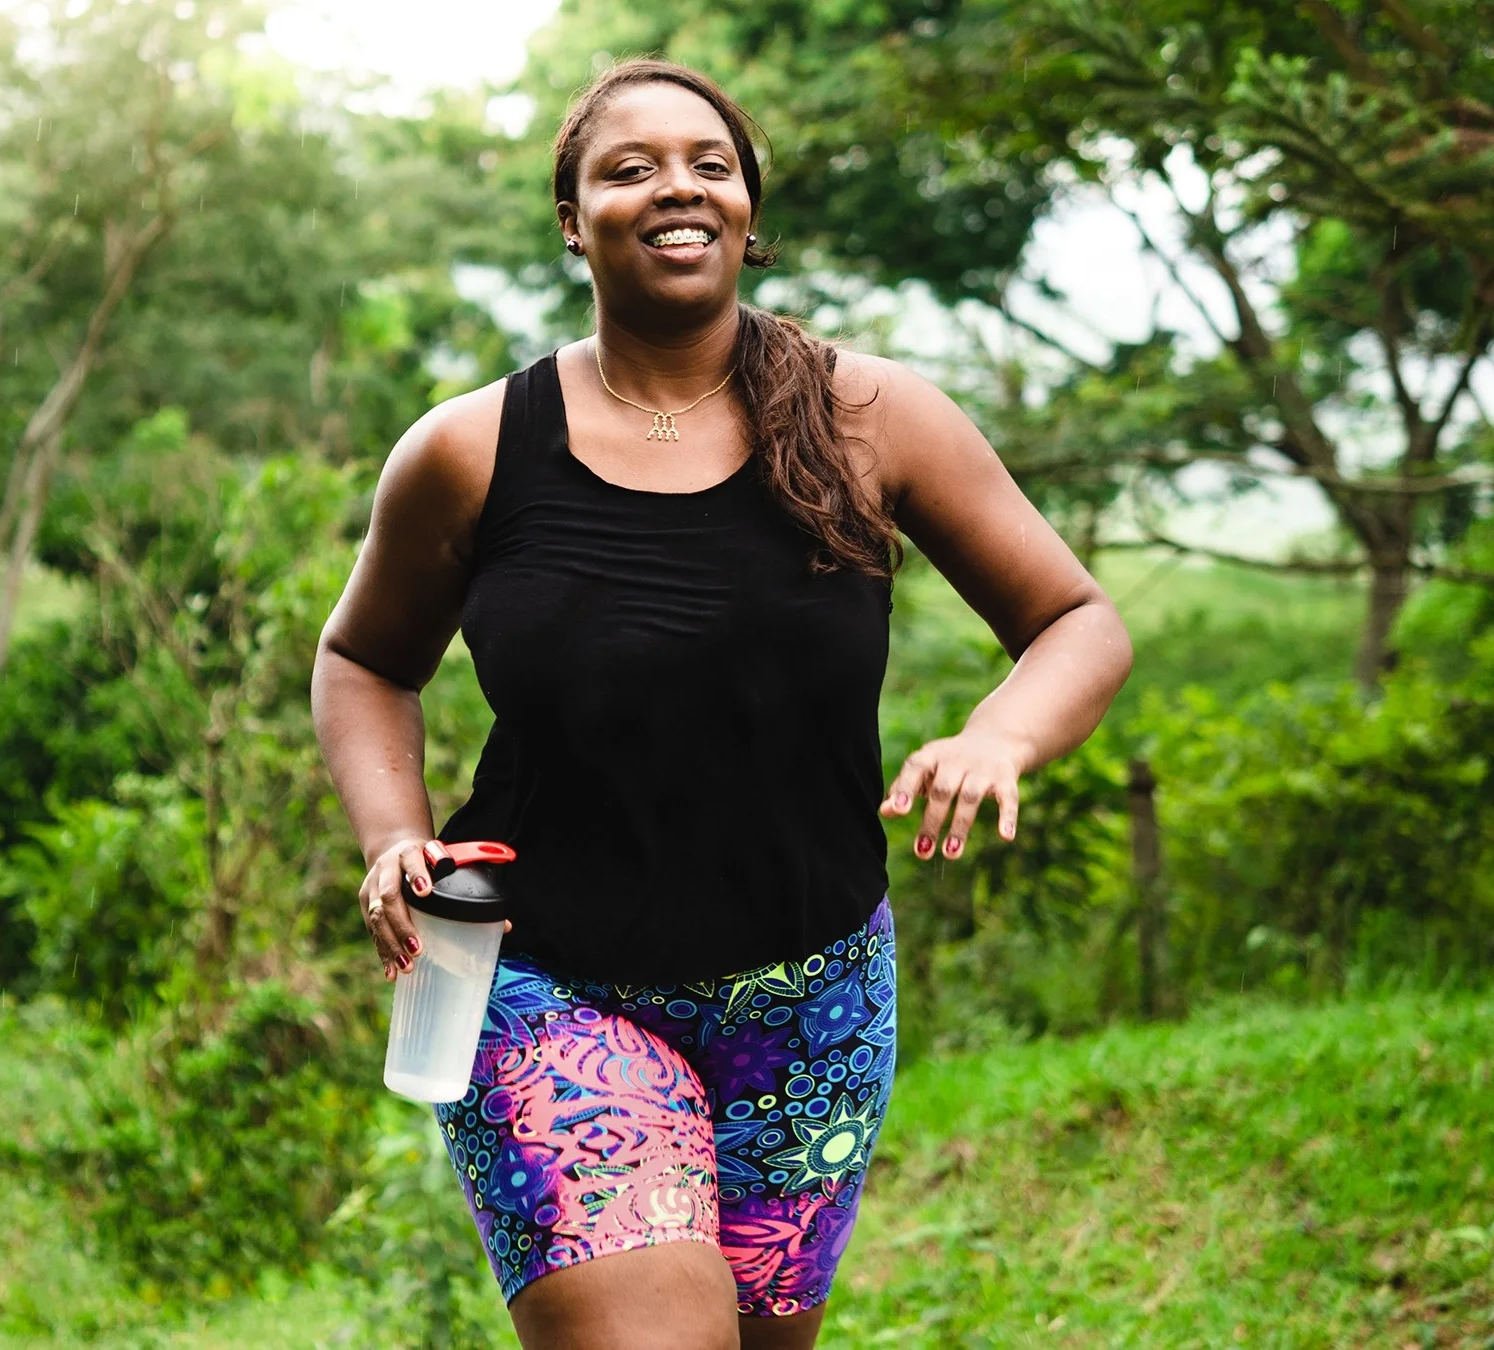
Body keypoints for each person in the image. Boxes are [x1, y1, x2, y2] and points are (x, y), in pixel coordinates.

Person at [312, 57, 1133, 1350]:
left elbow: (1076, 619)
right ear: (574, 221)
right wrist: (389, 835)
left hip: (815, 993)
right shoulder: (471, 449)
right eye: (627, 168)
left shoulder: (873, 417)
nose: (675, 186)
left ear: (749, 206)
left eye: (709, 161)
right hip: (541, 979)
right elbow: (364, 657)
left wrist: (999, 732)